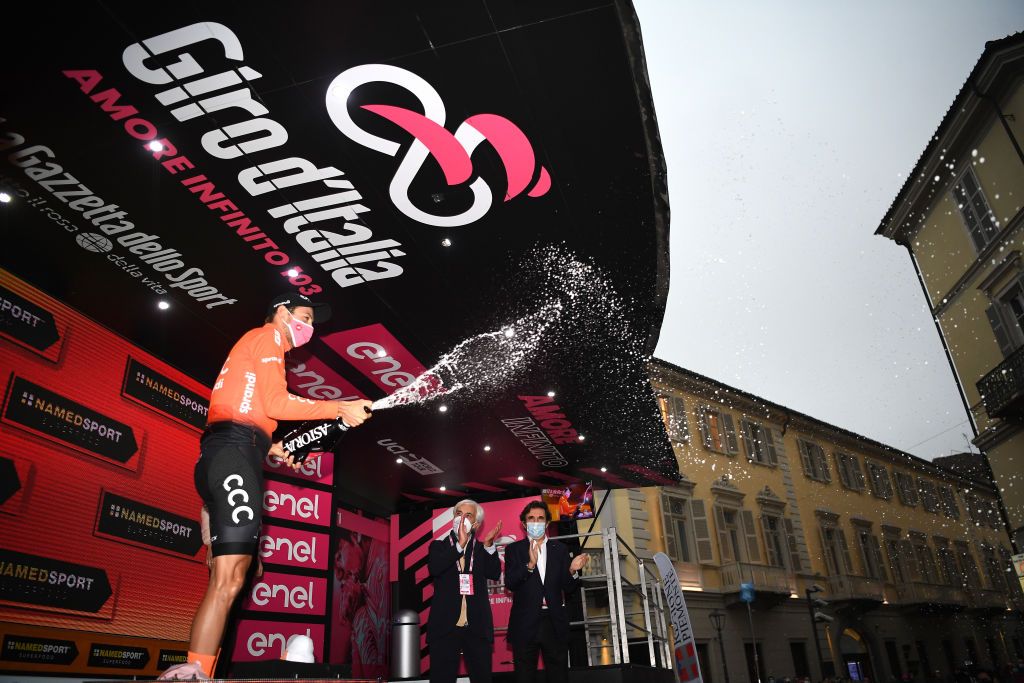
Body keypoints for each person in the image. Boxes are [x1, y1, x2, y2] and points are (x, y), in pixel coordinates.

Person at [160, 292, 373, 680]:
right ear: (282, 312)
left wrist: (280, 450)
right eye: (305, 317)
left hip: (231, 455)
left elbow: (252, 414)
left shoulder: (256, 345)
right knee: (229, 579)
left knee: (238, 575)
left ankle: (198, 669)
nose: (309, 328)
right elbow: (276, 402)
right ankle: (192, 673)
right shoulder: (269, 337)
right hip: (232, 458)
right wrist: (339, 407)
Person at [504, 500, 590, 683]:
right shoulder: (514, 550)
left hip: (554, 621)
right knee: (524, 676)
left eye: (540, 518)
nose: (536, 522)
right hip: (525, 623)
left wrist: (573, 571)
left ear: (548, 523)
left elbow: (568, 587)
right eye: (531, 518)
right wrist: (530, 566)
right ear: (524, 523)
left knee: (558, 675)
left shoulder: (559, 549)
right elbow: (510, 583)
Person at [427, 499, 503, 683]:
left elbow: (494, 572)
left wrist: (490, 545)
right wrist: (459, 545)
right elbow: (435, 568)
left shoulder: (481, 549)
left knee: (482, 678)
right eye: (458, 514)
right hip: (445, 626)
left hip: (476, 627)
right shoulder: (439, 546)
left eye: (468, 515)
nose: (462, 518)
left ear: (476, 523)